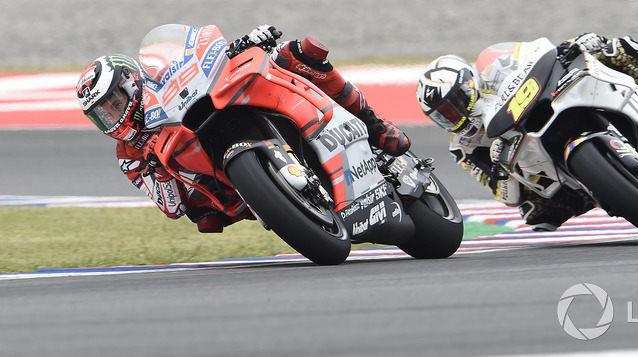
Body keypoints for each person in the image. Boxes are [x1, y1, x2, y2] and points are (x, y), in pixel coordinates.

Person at [77, 25, 410, 233]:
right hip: (220, 192)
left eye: (115, 102)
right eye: (103, 115)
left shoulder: (156, 80)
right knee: (201, 215)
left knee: (296, 55)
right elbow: (171, 208)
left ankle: (373, 124)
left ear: (131, 83)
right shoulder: (129, 153)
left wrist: (240, 46)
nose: (113, 115)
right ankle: (283, 198)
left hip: (216, 112)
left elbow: (196, 59)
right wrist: (159, 170)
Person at [415, 33, 638, 231]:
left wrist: (572, 47)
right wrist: (501, 172)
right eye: (443, 116)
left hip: (551, 105)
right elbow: (502, 195)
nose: (452, 117)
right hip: (538, 168)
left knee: (620, 49)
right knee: (537, 215)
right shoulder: (464, 147)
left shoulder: (494, 72)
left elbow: (535, 55)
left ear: (470, 85)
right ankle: (608, 190)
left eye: (453, 105)